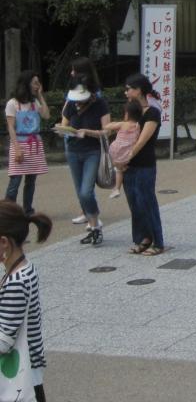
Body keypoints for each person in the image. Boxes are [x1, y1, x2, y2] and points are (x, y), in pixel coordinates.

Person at [0, 200, 51, 402]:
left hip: (21, 381)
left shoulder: (17, 281)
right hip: (29, 374)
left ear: (4, 242)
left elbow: (4, 341)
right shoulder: (25, 269)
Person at [59, 58, 109, 245]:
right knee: (81, 192)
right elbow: (64, 123)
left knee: (86, 191)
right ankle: (94, 227)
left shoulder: (100, 103)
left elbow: (107, 131)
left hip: (92, 151)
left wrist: (87, 132)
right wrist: (65, 131)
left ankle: (95, 223)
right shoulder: (71, 103)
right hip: (73, 150)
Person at [119, 75, 165, 256]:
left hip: (144, 163)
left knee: (146, 201)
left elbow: (142, 141)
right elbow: (124, 133)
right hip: (128, 164)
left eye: (129, 88)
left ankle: (158, 242)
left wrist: (126, 156)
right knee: (134, 203)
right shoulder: (132, 110)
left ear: (139, 90)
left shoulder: (152, 112)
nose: (126, 92)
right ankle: (143, 238)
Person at [5, 71, 49, 216]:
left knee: (31, 181)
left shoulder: (34, 103)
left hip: (34, 144)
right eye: (35, 83)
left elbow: (46, 115)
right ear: (26, 83)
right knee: (15, 181)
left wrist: (40, 96)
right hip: (19, 143)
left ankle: (27, 210)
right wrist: (17, 148)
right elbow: (11, 127)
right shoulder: (12, 103)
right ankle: (8, 211)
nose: (38, 85)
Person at [103, 102, 142, 200]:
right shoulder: (138, 126)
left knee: (117, 168)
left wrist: (114, 124)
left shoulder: (123, 124)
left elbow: (107, 126)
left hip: (115, 150)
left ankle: (116, 187)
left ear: (127, 114)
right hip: (127, 154)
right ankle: (117, 188)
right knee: (119, 169)